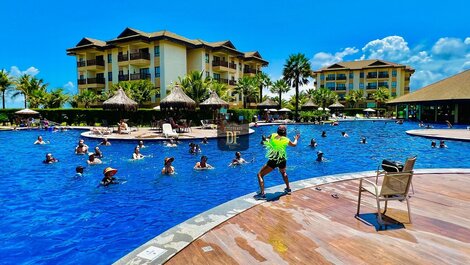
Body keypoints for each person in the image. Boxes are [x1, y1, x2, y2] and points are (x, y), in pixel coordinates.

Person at [255, 125, 300, 200]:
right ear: (285, 132)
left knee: (259, 174)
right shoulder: (286, 139)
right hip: (282, 159)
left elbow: (266, 139)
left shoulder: (273, 135)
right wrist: (296, 139)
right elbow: (294, 144)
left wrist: (265, 139)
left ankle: (262, 194)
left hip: (274, 159)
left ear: (277, 131)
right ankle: (288, 188)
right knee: (283, 172)